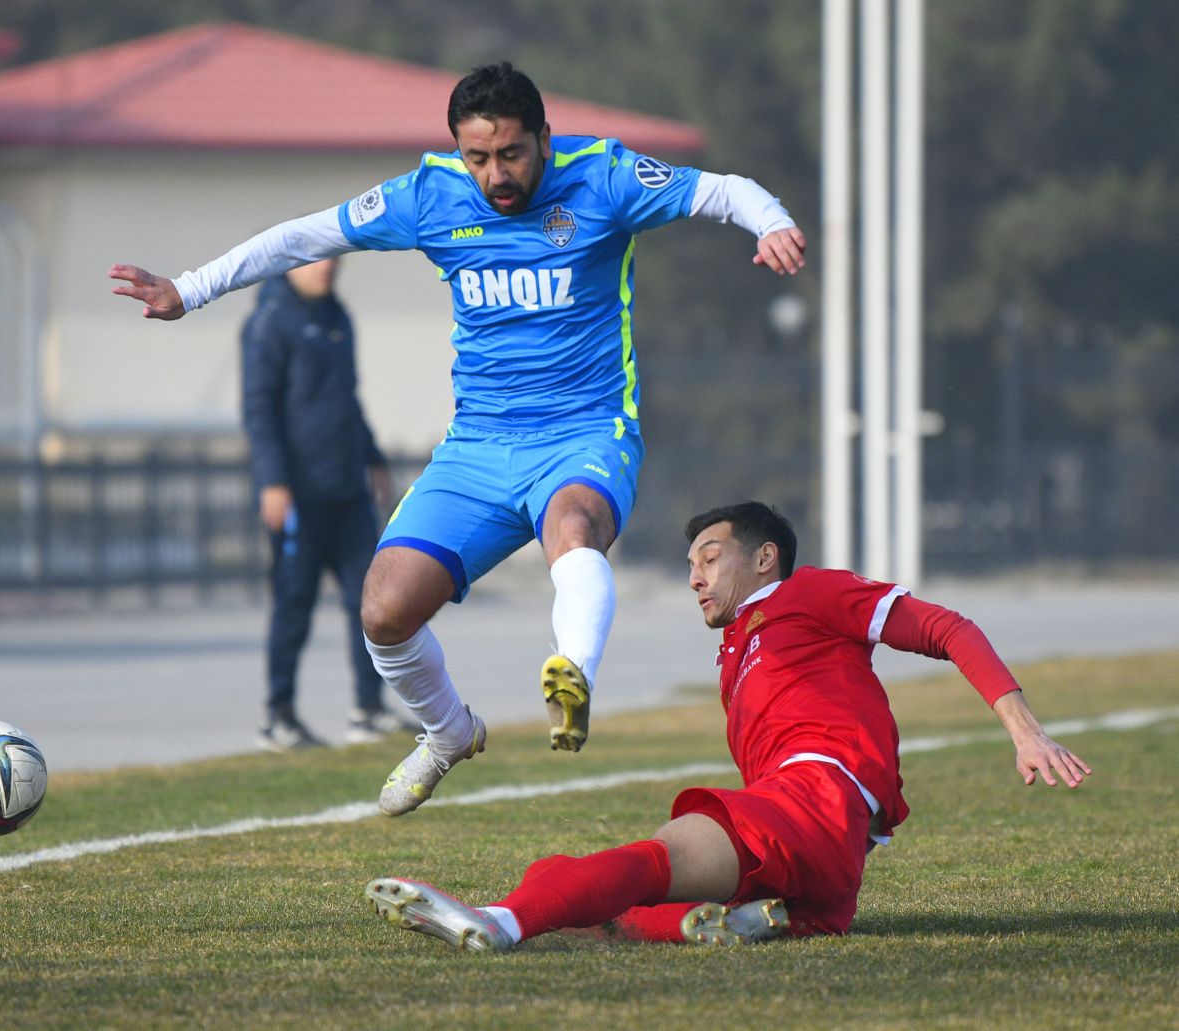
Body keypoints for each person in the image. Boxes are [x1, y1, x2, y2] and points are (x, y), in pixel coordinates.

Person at [111, 63, 808, 815]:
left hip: (583, 432)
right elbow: (304, 236)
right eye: (477, 157)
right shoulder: (431, 194)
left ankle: (571, 674)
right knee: (382, 607)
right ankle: (447, 732)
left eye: (509, 154)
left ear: (543, 138)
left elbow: (724, 188)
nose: (494, 175)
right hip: (477, 444)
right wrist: (191, 287)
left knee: (571, 530)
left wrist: (769, 221)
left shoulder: (602, 177)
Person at [365, 501, 1092, 950]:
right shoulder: (738, 647)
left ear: (765, 556)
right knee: (596, 888)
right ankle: (726, 919)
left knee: (653, 859)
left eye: (710, 557)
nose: (694, 576)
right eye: (689, 563)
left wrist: (1024, 728)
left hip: (815, 800)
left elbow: (947, 626)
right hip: (828, 862)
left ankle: (504, 921)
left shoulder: (808, 591)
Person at [241, 257, 415, 750]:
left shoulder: (337, 317)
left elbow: (347, 400)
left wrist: (372, 455)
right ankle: (278, 717)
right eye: (318, 258)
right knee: (293, 604)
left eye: (335, 258)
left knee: (372, 602)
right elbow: (259, 409)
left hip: (347, 492)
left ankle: (367, 708)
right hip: (299, 494)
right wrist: (272, 481)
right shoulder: (270, 321)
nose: (328, 268)